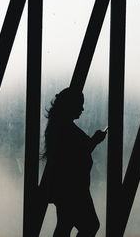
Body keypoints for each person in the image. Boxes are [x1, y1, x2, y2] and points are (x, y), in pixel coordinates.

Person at [42, 87, 107, 237]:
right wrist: (95, 141)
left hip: (67, 188)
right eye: (79, 104)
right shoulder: (65, 128)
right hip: (73, 188)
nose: (82, 109)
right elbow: (74, 156)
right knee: (89, 225)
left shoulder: (60, 126)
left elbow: (72, 154)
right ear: (70, 105)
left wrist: (93, 142)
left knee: (65, 225)